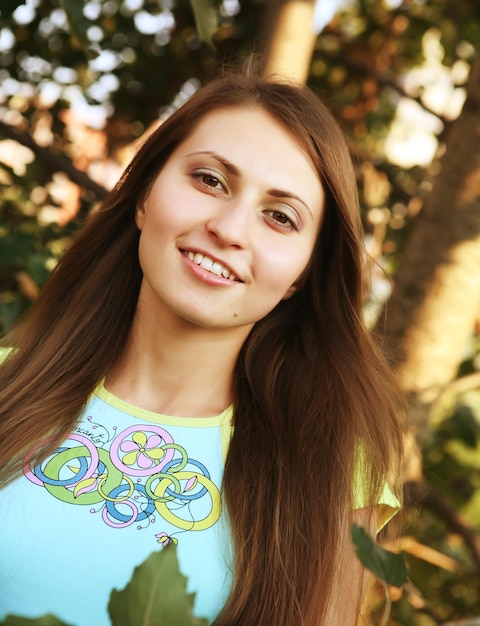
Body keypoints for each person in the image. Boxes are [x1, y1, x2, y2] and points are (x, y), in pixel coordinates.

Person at [0, 63, 404, 626]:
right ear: (143, 195)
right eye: (210, 180)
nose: (230, 228)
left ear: (301, 277)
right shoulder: (6, 384)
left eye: (280, 217)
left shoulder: (333, 462)